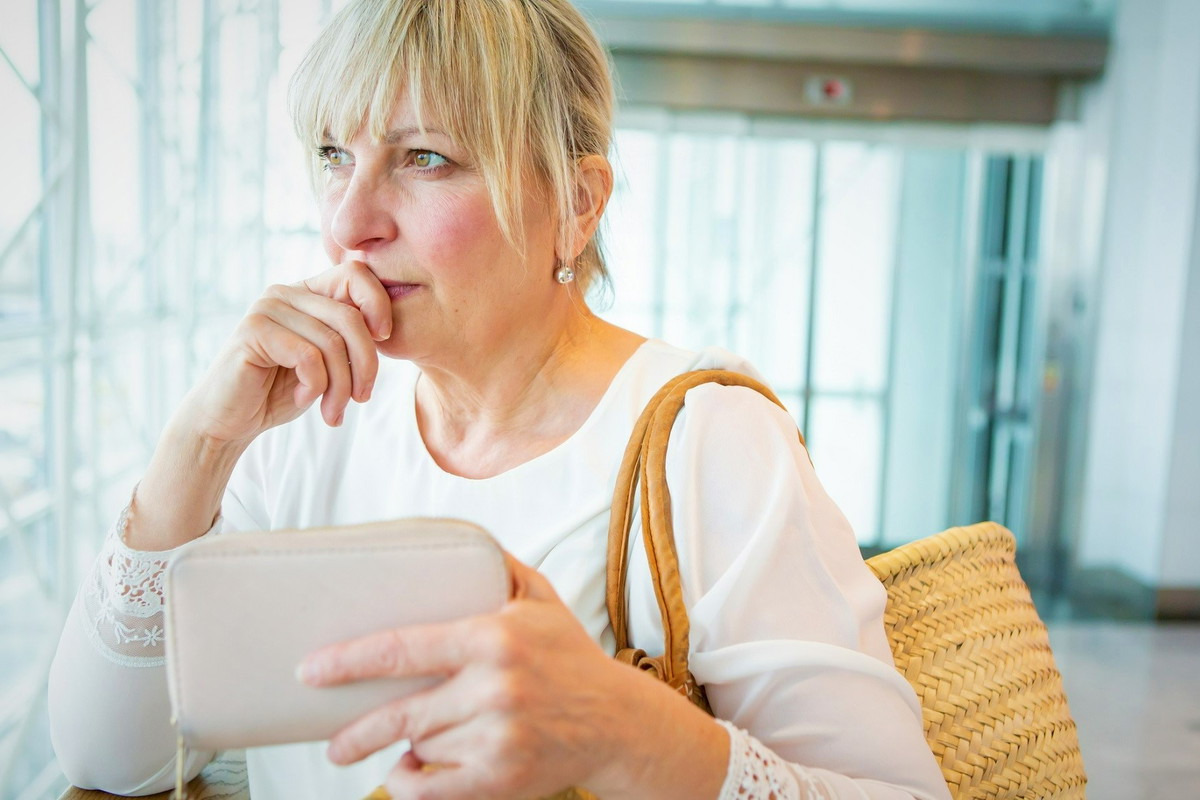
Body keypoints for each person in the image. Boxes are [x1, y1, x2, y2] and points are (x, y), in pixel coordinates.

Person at [48, 1, 952, 798]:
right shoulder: (304, 425)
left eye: (425, 159)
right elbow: (105, 757)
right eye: (336, 154)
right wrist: (202, 441)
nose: (348, 222)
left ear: (575, 203)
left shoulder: (703, 441)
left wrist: (621, 734)